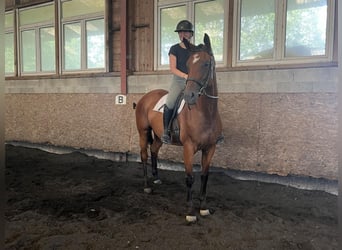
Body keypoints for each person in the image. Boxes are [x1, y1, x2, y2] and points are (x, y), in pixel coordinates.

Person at [161, 20, 194, 144]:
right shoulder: (174, 49)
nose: (182, 34)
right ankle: (166, 131)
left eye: (185, 32)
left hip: (194, 81)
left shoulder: (195, 50)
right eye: (180, 32)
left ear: (191, 34)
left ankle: (215, 131)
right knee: (170, 102)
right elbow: (173, 68)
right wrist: (185, 76)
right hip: (179, 80)